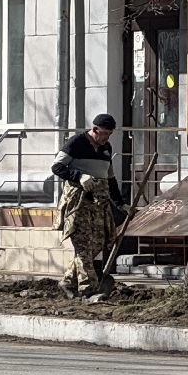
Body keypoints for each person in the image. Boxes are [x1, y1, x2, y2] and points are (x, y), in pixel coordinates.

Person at [51, 113, 126, 298]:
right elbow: (56, 167)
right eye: (104, 134)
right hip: (78, 205)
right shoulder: (76, 143)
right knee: (83, 247)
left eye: (109, 134)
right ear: (94, 130)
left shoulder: (106, 148)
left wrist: (120, 203)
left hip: (99, 205)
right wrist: (79, 176)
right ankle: (89, 290)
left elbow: (110, 178)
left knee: (98, 244)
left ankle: (68, 281)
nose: (106, 138)